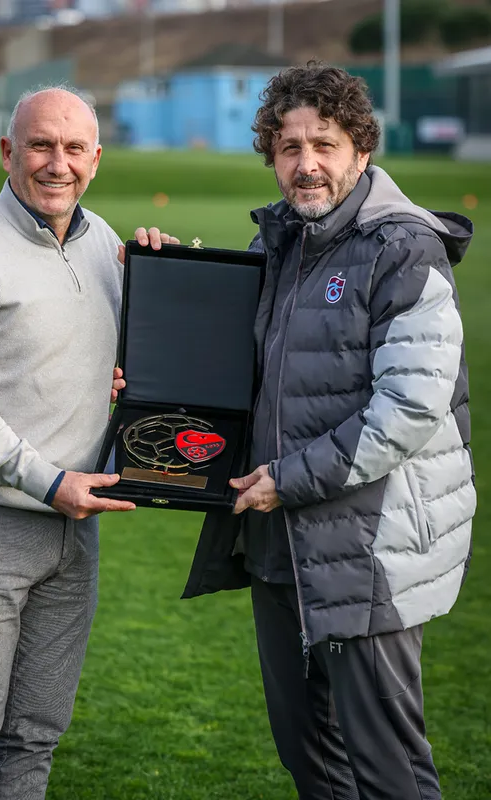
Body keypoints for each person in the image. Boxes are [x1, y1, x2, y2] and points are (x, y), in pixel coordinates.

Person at [167, 63, 476, 799]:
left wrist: (289, 479)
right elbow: (224, 370)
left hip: (366, 550)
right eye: (289, 147)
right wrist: (165, 272)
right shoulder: (278, 243)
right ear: (272, 158)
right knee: (310, 760)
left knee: (389, 772)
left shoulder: (403, 249)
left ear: (361, 150)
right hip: (278, 543)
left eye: (324, 144)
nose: (306, 164)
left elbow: (408, 410)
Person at [0, 86, 177, 800]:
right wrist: (49, 481)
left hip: (74, 531)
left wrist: (163, 275)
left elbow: (128, 360)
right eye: (39, 145)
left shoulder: (103, 244)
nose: (57, 163)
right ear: (8, 152)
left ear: (96, 159)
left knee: (34, 735)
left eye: (73, 149)